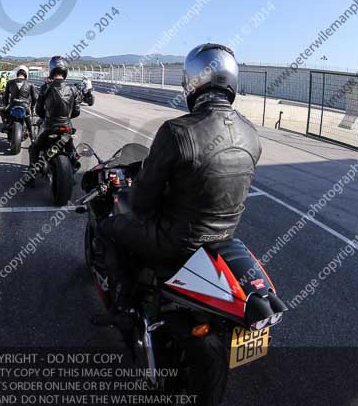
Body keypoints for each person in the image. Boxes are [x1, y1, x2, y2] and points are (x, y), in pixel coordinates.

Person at [96, 43, 262, 324]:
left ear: (193, 82)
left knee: (108, 228)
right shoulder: (251, 133)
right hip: (225, 237)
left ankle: (123, 303)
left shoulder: (177, 131)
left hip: (176, 241)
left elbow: (141, 201)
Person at [29, 56, 80, 170]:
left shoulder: (45, 88)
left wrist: (46, 116)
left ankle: (30, 178)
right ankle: (74, 165)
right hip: (67, 126)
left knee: (35, 148)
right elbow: (76, 112)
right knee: (70, 147)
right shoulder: (73, 89)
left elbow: (39, 110)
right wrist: (66, 117)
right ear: (65, 71)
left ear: (51, 69)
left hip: (49, 126)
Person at [1, 65, 38, 136]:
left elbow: (5, 96)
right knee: (28, 122)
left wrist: (6, 104)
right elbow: (34, 98)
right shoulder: (30, 84)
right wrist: (32, 107)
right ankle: (32, 138)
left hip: (12, 105)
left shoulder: (10, 82)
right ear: (26, 75)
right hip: (25, 106)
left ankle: (6, 125)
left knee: (3, 112)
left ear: (17, 74)